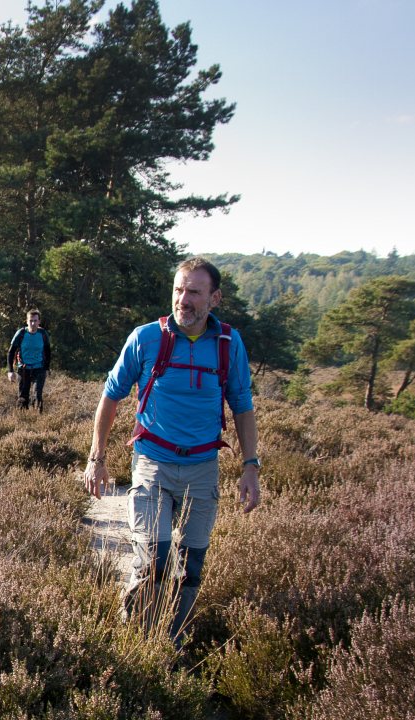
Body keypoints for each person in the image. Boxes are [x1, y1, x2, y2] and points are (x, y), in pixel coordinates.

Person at [83, 257, 262, 648]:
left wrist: (251, 466)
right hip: (152, 463)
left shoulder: (229, 344)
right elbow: (110, 397)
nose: (184, 299)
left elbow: (242, 405)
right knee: (155, 558)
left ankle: (172, 641)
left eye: (194, 292)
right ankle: (137, 638)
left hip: (202, 467)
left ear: (214, 298)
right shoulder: (146, 338)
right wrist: (97, 458)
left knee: (192, 567)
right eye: (179, 290)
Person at [6, 309, 53, 411]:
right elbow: (11, 352)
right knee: (23, 397)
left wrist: (47, 368)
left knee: (37, 396)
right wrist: (10, 371)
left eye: (35, 321)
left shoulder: (43, 334)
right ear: (27, 321)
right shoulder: (21, 333)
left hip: (39, 368)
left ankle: (39, 421)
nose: (33, 323)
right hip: (23, 368)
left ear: (39, 322)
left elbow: (48, 351)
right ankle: (23, 420)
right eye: (31, 320)